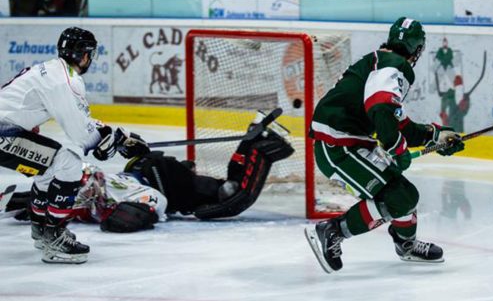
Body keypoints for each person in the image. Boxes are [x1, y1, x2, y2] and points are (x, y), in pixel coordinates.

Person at [304, 17, 466, 273]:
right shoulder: (394, 66)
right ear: (418, 49)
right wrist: (397, 149)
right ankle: (333, 230)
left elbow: (393, 120)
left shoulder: (382, 61)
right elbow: (380, 109)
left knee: (404, 195)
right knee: (398, 198)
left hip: (346, 141)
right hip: (337, 145)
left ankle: (406, 244)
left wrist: (436, 136)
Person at [0, 27, 147, 263]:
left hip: (7, 131)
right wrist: (114, 141)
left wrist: (116, 136)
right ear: (84, 55)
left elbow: (81, 123)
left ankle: (41, 228)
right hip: (3, 134)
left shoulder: (54, 70)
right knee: (69, 162)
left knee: (50, 165)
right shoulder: (66, 80)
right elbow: (81, 134)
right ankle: (54, 237)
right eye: (90, 53)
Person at [3, 113, 295, 232]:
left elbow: (123, 220)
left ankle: (260, 143)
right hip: (150, 174)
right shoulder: (83, 189)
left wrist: (104, 212)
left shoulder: (89, 191)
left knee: (227, 197)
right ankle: (253, 139)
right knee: (225, 193)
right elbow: (27, 200)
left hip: (155, 178)